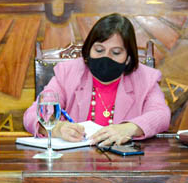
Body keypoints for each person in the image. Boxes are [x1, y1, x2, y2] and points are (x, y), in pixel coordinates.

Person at [23, 13, 171, 146]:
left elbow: (161, 115)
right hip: (74, 165)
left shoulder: (145, 78)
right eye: (99, 50)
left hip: (125, 166)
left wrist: (128, 128)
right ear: (88, 51)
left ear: (128, 58)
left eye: (116, 52)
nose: (106, 57)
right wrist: (57, 128)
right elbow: (32, 115)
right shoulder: (68, 73)